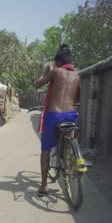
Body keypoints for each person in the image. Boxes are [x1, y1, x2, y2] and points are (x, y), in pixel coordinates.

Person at [34, 44, 81, 196]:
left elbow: (37, 84)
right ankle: (72, 159)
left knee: (46, 149)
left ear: (58, 62)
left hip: (54, 114)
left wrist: (47, 70)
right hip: (71, 114)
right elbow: (77, 97)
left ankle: (43, 185)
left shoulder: (56, 71)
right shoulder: (77, 75)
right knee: (70, 137)